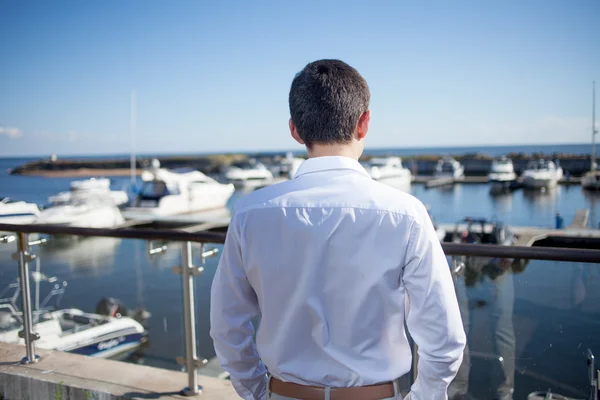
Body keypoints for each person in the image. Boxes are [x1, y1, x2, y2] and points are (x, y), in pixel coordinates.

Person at [210, 59, 466, 400]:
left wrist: (258, 392)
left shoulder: (249, 213)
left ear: (295, 130)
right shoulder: (407, 214)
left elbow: (227, 327)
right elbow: (444, 339)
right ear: (364, 124)